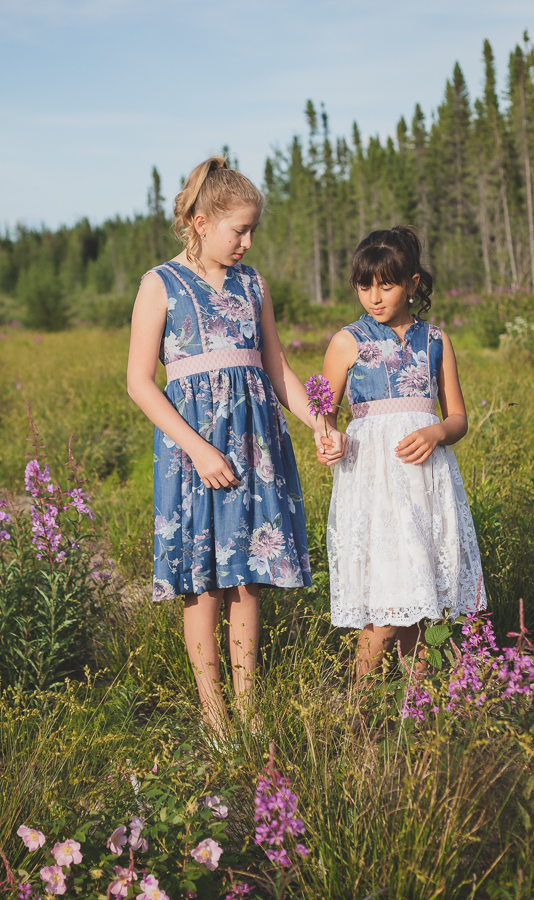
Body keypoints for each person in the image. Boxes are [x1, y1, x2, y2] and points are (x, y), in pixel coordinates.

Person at [127, 156, 346, 733]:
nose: (247, 242)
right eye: (237, 230)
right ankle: (213, 713)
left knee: (247, 573)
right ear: (201, 222)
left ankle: (249, 710)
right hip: (193, 448)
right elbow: (139, 382)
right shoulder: (161, 284)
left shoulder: (253, 284)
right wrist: (197, 448)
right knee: (202, 581)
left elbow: (276, 367)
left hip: (256, 445)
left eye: (253, 231)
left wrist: (317, 421)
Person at [317, 226, 485, 684]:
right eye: (364, 285)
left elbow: (458, 419)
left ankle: (419, 706)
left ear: (412, 283)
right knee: (388, 600)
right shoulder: (347, 342)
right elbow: (324, 415)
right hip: (375, 483)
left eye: (386, 285)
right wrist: (331, 439)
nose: (374, 296)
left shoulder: (436, 341)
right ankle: (357, 702)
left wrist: (437, 432)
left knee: (422, 600)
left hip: (425, 480)